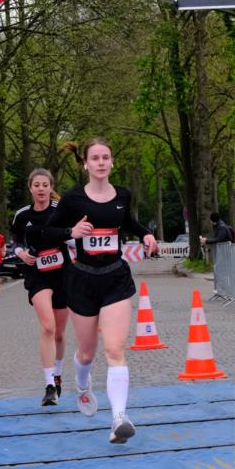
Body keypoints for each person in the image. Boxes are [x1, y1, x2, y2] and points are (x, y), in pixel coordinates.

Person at [42, 137, 158, 444]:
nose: (101, 162)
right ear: (85, 164)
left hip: (115, 278)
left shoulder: (123, 194)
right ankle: (82, 385)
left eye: (106, 157)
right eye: (95, 158)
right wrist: (71, 232)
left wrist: (146, 235)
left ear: (112, 162)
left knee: (115, 349)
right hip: (82, 280)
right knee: (88, 351)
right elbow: (46, 233)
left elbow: (128, 222)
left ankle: (119, 417)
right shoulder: (72, 198)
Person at [11, 168, 70, 407]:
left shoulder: (61, 210)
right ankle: (48, 386)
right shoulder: (22, 215)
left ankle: (57, 375)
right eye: (37, 185)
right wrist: (20, 252)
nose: (41, 189)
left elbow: (75, 234)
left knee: (59, 333)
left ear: (50, 187)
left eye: (45, 185)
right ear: (30, 188)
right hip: (37, 274)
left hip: (63, 273)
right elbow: (14, 239)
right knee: (47, 326)